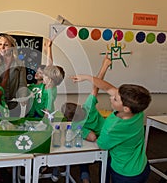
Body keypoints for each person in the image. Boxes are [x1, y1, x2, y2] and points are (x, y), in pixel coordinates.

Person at [69, 70, 151, 183]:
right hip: (142, 166)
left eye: (115, 99)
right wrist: (87, 77)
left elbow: (101, 146)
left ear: (126, 108)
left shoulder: (111, 128)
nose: (111, 97)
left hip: (125, 174)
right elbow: (108, 88)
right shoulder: (137, 112)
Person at [58, 54, 112, 183]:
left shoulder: (77, 125)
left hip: (101, 142)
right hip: (109, 133)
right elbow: (96, 85)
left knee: (83, 158)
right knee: (105, 165)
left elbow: (92, 137)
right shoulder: (88, 106)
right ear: (78, 106)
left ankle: (85, 178)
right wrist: (104, 66)